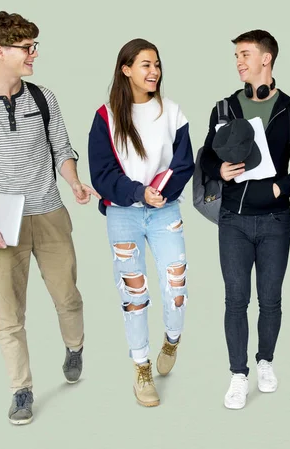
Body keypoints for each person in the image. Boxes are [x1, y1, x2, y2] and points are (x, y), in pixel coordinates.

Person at [0, 11, 98, 425]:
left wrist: (73, 182)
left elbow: (61, 148)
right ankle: (21, 390)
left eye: (34, 45)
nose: (35, 53)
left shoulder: (43, 97)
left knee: (67, 296)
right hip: (2, 222)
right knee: (10, 314)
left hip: (49, 212)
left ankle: (74, 346)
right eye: (27, 47)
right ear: (1, 53)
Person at [199, 29, 290, 409]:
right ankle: (238, 374)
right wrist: (220, 171)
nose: (239, 62)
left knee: (271, 300)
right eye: (236, 56)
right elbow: (207, 156)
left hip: (276, 221)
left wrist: (283, 186)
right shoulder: (224, 108)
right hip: (233, 219)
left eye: (245, 54)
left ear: (267, 59)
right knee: (235, 300)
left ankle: (265, 362)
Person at [88, 38, 194, 407]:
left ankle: (172, 339)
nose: (154, 72)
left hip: (165, 210)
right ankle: (141, 366)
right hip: (123, 214)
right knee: (134, 296)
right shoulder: (107, 117)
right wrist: (137, 192)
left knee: (175, 287)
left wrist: (157, 192)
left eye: (157, 65)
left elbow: (184, 164)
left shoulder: (173, 113)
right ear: (126, 69)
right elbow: (101, 173)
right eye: (146, 65)